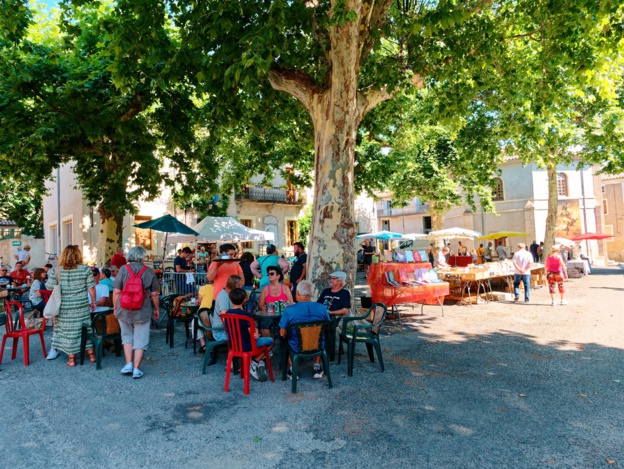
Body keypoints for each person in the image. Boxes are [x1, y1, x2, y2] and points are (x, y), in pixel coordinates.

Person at [112, 246, 160, 379]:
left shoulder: (123, 269)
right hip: (142, 310)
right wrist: (156, 309)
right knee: (141, 338)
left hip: (124, 308)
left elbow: (116, 291)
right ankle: (137, 368)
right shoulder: (149, 271)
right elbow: (154, 294)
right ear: (142, 256)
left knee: (126, 336)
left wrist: (115, 308)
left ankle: (128, 364)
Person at [45, 245, 97, 367]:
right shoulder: (85, 269)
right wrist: (94, 301)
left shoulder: (56, 270)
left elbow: (49, 287)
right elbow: (91, 287)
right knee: (85, 329)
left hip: (64, 308)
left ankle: (72, 359)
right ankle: (92, 355)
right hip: (81, 306)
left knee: (68, 332)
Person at [280, 281, 331, 379]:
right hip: (317, 345)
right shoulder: (322, 308)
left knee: (284, 339)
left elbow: (282, 333)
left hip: (296, 346)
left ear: (297, 293)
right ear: (311, 294)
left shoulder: (289, 309)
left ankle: (292, 369)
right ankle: (317, 366)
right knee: (318, 336)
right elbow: (328, 326)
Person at [223, 287, 272, 381]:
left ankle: (254, 363)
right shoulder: (246, 315)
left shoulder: (227, 314)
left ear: (230, 299)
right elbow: (252, 333)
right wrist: (256, 333)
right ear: (245, 299)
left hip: (233, 345)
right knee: (271, 341)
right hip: (247, 345)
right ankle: (255, 361)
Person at [208, 275, 242, 366]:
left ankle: (243, 360)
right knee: (243, 335)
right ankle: (231, 361)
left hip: (227, 329)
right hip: (221, 331)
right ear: (236, 286)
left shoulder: (229, 295)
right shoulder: (223, 297)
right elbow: (225, 318)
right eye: (240, 285)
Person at [258, 265, 294, 337]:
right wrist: (270, 308)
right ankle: (270, 344)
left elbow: (291, 303)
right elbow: (260, 305)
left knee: (289, 324)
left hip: (283, 315)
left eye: (272, 274)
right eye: (268, 274)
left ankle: (284, 343)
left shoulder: (285, 288)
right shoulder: (265, 289)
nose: (269, 276)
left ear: (278, 276)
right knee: (263, 325)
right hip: (269, 315)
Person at [195, 281, 215, 353]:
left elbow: (199, 301)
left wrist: (198, 301)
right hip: (214, 317)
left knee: (194, 322)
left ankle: (203, 345)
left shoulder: (203, 288)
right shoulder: (220, 288)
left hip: (203, 316)